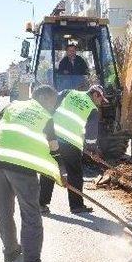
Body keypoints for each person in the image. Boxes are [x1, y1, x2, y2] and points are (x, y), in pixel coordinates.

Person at [0, 85, 60, 262]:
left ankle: (10, 251)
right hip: (22, 169)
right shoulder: (45, 117)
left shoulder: (11, 107)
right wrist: (60, 176)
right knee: (31, 216)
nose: (53, 107)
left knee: (4, 210)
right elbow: (54, 151)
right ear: (43, 98)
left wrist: (3, 155)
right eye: (52, 102)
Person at [39, 84, 108, 214]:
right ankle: (76, 206)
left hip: (53, 138)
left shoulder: (67, 92)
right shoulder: (92, 109)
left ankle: (40, 204)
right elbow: (91, 135)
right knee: (75, 174)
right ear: (94, 94)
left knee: (49, 170)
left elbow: (51, 106)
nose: (100, 102)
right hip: (71, 144)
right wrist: (92, 150)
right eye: (100, 99)